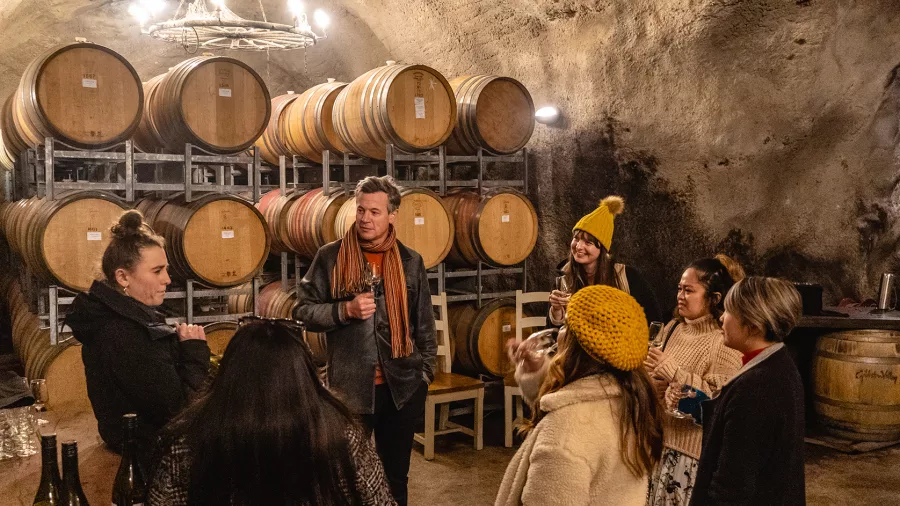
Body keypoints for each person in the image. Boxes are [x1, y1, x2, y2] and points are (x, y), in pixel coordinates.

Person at [293, 175, 437, 506]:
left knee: (395, 478)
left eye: (374, 211)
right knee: (341, 478)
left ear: (391, 215)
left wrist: (424, 377)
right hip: (349, 390)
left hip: (401, 388)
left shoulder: (409, 261)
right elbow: (302, 310)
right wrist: (344, 310)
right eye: (360, 210)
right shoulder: (330, 257)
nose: (365, 218)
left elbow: (425, 326)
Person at [148, 318, 396, 506]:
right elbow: (381, 501)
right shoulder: (340, 434)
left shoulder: (187, 440)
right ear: (303, 374)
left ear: (228, 375)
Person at [66, 210, 208, 472]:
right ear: (122, 277)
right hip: (149, 455)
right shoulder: (125, 333)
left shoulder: (120, 316)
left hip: (135, 444)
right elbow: (177, 411)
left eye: (166, 269)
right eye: (157, 271)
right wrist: (194, 351)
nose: (167, 279)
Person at [497, 285, 664, 506]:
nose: (559, 333)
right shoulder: (632, 401)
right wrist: (538, 370)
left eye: (566, 325)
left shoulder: (566, 430)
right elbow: (576, 392)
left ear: (581, 345)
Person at [689, 277, 805, 505]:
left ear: (753, 325)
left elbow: (733, 487)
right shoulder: (778, 363)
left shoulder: (757, 388)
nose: (721, 317)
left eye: (729, 311)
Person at [644, 255, 744, 505]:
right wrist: (651, 384)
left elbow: (719, 401)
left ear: (714, 298)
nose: (680, 295)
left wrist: (673, 372)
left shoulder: (724, 341)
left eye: (689, 290)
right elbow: (657, 380)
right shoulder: (672, 328)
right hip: (657, 445)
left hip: (689, 456)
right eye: (679, 288)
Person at [549, 196, 661, 326]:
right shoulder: (563, 280)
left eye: (588, 242)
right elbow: (553, 336)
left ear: (602, 249)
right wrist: (556, 311)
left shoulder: (626, 277)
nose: (579, 246)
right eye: (576, 238)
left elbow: (654, 320)